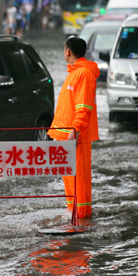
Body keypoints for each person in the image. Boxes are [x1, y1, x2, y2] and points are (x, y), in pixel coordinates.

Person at [47, 37, 100, 219]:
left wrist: (75, 131)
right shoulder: (75, 73)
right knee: (70, 179)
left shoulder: (83, 74)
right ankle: (74, 214)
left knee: (78, 179)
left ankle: (82, 217)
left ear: (68, 51)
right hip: (67, 137)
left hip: (75, 137)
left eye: (64, 49)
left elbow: (83, 107)